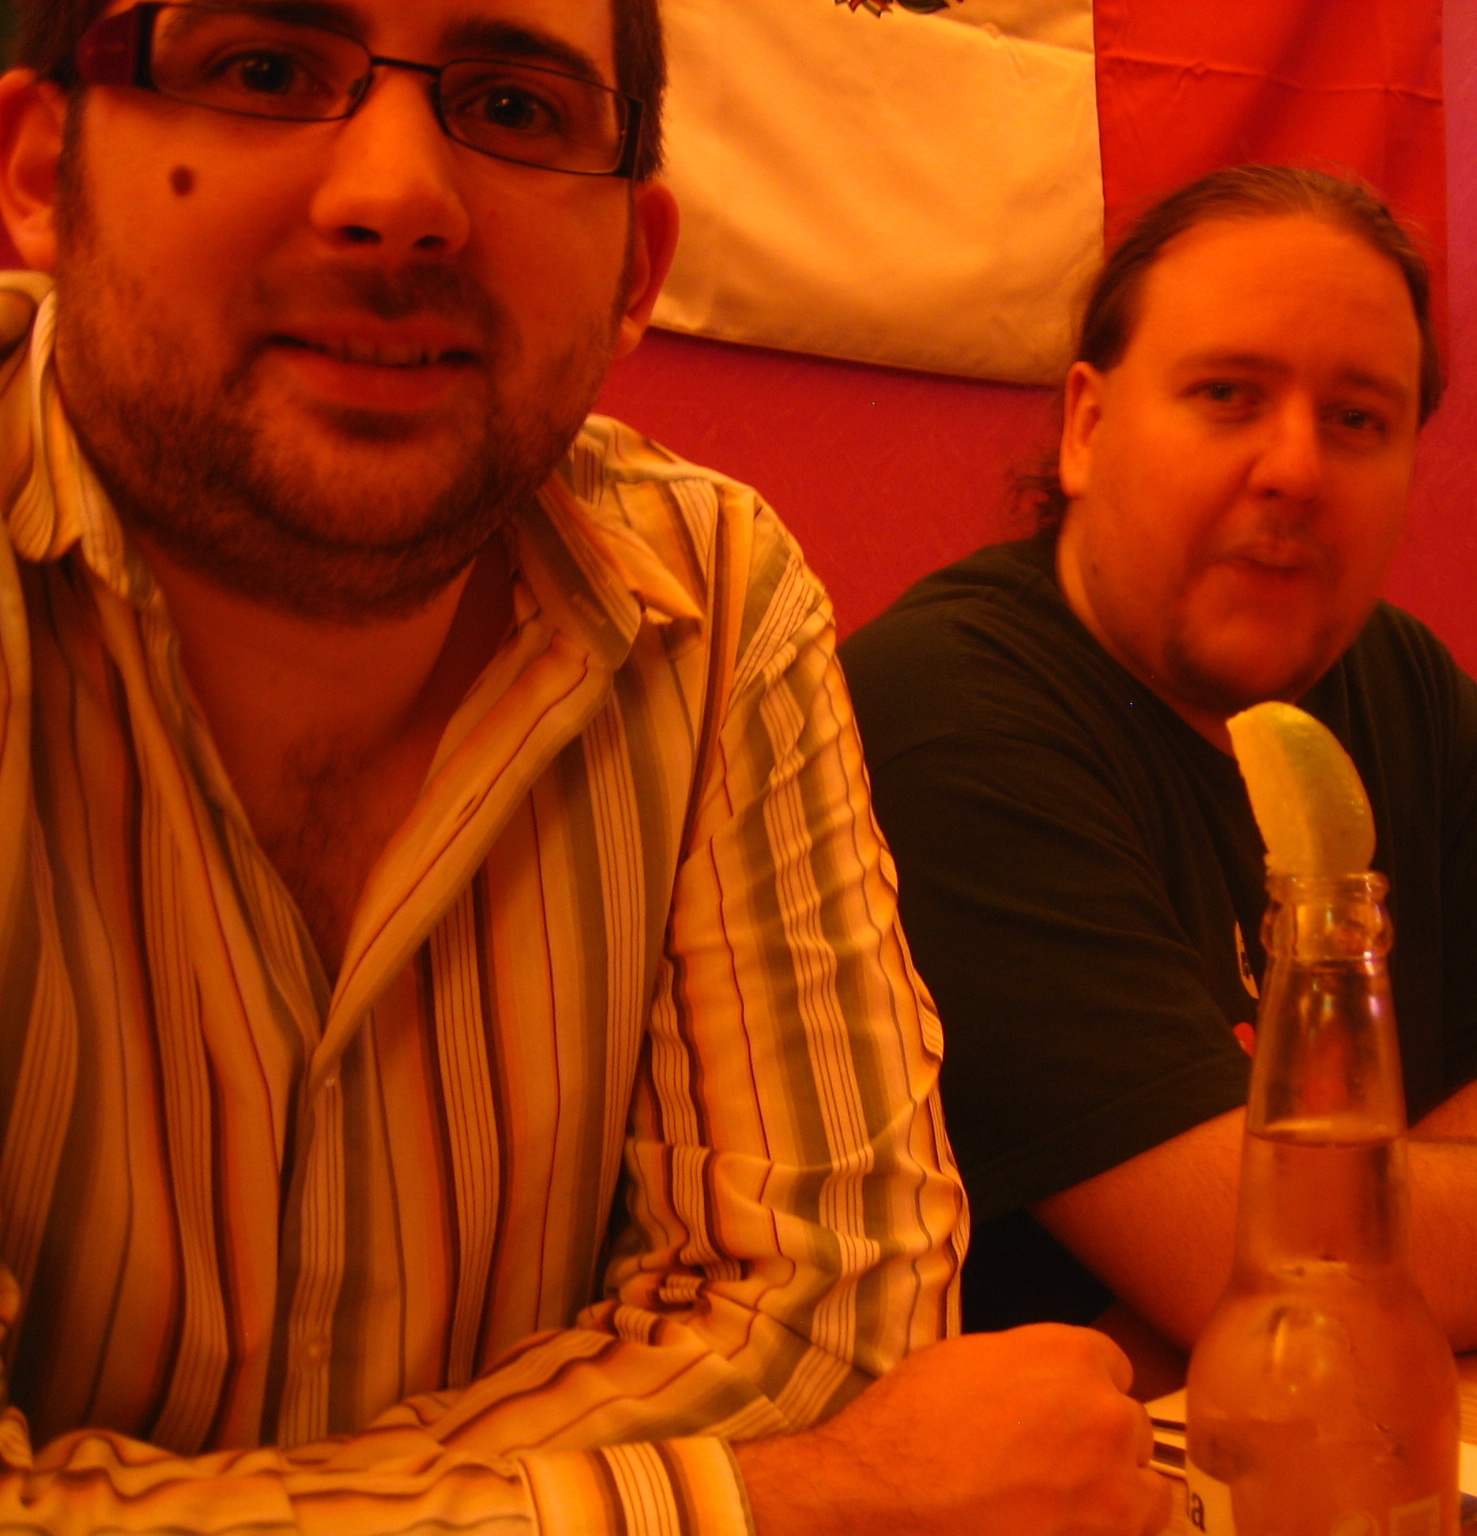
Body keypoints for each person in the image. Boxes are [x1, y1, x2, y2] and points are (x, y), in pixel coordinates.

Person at [0, 3, 1172, 1534]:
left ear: (635, 266)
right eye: (264, 69)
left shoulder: (718, 594)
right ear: (37, 174)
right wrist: (798, 1504)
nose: (399, 194)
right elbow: (828, 1437)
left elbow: (824, 1323)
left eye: (510, 107)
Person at [841, 166, 1477, 1372]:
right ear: (1086, 427)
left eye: (1357, 418)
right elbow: (1260, 1271)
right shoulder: (948, 705)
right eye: (1226, 394)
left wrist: (1299, 1253)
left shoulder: (1391, 676)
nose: (1294, 468)